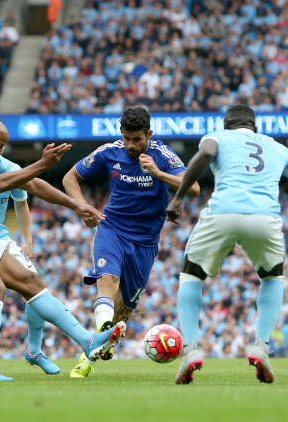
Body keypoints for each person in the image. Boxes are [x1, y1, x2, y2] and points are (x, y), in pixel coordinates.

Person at [0, 116, 126, 381]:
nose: (1, 150)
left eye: (4, 146)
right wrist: (41, 163)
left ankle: (88, 340)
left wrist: (76, 205)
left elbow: (32, 184)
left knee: (30, 280)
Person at [166, 105, 288, 384]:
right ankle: (261, 345)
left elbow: (206, 154)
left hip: (223, 212)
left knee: (191, 274)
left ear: (226, 125)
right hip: (265, 217)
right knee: (272, 277)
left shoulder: (217, 137)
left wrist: (179, 197)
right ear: (255, 128)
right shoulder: (279, 149)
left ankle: (191, 349)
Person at [62, 106, 200, 378]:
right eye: (126, 138)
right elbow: (70, 177)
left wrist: (158, 174)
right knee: (107, 280)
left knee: (123, 311)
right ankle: (91, 350)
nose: (131, 145)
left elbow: (193, 188)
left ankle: (104, 338)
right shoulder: (108, 152)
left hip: (146, 243)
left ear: (149, 134)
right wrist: (82, 206)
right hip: (111, 229)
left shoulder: (163, 156)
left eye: (137, 139)